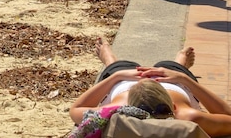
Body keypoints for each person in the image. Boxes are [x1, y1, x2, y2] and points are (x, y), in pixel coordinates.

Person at [68, 37, 231, 137]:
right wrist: (183, 78)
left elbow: (76, 109)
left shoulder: (111, 113)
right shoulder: (189, 118)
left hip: (126, 83)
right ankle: (179, 64)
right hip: (170, 82)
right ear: (173, 107)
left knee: (118, 67)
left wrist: (117, 76)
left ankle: (110, 61)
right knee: (170, 66)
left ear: (126, 108)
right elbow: (227, 115)